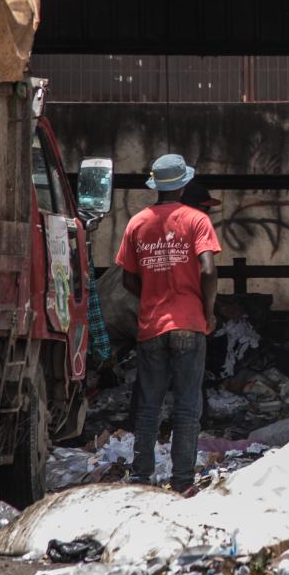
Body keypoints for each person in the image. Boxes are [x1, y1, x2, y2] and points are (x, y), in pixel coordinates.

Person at [115, 153, 221, 489]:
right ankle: (181, 480)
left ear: (155, 186)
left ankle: (141, 476)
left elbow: (126, 279)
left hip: (152, 325)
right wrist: (208, 310)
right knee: (188, 407)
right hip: (190, 322)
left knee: (149, 406)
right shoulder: (196, 220)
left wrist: (152, 294)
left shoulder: (137, 222)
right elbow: (208, 269)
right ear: (185, 184)